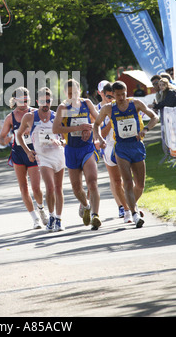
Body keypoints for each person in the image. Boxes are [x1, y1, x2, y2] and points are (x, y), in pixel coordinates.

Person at [93, 81, 159, 228]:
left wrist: (146, 129)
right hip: (121, 148)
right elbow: (96, 125)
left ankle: (130, 206)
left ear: (126, 92)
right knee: (127, 182)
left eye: (123, 94)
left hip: (136, 146)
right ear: (113, 95)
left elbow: (155, 117)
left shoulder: (135, 103)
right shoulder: (108, 108)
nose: (121, 97)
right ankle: (134, 214)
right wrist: (100, 138)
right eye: (118, 95)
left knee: (140, 185)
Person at [52, 78, 101, 230]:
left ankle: (95, 215)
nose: (73, 95)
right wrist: (77, 128)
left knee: (92, 182)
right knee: (76, 188)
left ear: (79, 91)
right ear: (65, 94)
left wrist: (90, 128)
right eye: (69, 93)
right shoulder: (63, 107)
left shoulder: (86, 103)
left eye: (75, 92)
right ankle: (85, 206)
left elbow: (99, 120)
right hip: (72, 150)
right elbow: (56, 129)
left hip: (87, 148)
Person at [17, 87, 65, 232]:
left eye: (48, 101)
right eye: (43, 101)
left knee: (58, 188)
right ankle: (51, 217)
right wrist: (27, 152)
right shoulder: (30, 117)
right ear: (37, 101)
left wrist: (61, 142)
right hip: (43, 157)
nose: (46, 104)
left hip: (57, 155)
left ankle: (59, 219)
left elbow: (64, 137)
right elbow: (19, 135)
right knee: (50, 187)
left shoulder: (56, 116)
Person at [0, 87, 47, 229]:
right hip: (18, 153)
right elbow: (1, 138)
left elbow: (45, 128)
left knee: (36, 188)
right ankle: (35, 219)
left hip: (32, 152)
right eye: (21, 100)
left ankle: (41, 208)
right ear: (15, 101)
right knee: (23, 188)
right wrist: (6, 140)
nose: (24, 102)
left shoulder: (34, 113)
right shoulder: (10, 117)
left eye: (26, 99)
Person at [96, 82, 131, 223]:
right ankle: (123, 207)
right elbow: (100, 132)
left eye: (113, 96)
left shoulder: (126, 105)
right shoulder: (99, 109)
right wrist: (112, 120)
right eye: (107, 95)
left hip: (126, 145)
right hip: (109, 147)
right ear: (101, 94)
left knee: (128, 180)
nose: (110, 98)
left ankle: (130, 205)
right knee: (116, 180)